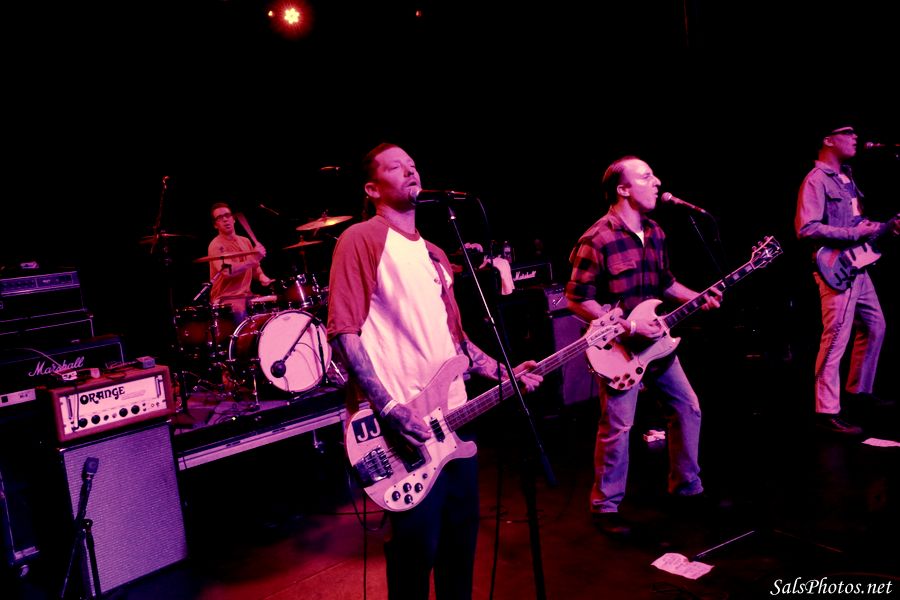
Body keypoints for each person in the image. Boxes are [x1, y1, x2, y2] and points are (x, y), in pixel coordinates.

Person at [326, 143, 542, 600]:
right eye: (396, 167)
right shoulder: (360, 239)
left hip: (456, 420)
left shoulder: (436, 254)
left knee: (459, 552)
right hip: (403, 427)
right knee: (414, 554)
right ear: (372, 188)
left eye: (413, 165)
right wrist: (388, 408)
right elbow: (344, 333)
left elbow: (456, 341)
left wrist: (504, 372)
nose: (410, 171)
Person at [565, 155, 722, 537]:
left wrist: (699, 296)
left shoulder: (655, 232)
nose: (657, 182)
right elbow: (577, 298)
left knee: (687, 407)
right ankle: (605, 507)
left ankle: (687, 488)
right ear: (622, 189)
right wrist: (626, 325)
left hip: (658, 345)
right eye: (646, 177)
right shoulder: (597, 238)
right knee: (618, 426)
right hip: (619, 350)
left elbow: (665, 283)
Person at [795, 123, 898, 435]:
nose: (855, 137)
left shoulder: (847, 177)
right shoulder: (816, 179)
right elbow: (806, 228)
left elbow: (857, 222)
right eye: (847, 132)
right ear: (828, 139)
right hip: (836, 269)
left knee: (875, 326)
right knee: (836, 337)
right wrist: (854, 233)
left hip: (858, 265)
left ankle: (859, 393)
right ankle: (826, 411)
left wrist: (885, 227)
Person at [207, 202, 275, 324]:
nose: (225, 219)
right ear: (215, 225)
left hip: (246, 296)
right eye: (219, 218)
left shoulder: (245, 241)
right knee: (240, 310)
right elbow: (227, 272)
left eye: (227, 215)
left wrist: (262, 276)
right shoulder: (216, 245)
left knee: (273, 305)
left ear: (233, 219)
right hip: (225, 299)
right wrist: (254, 259)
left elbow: (255, 268)